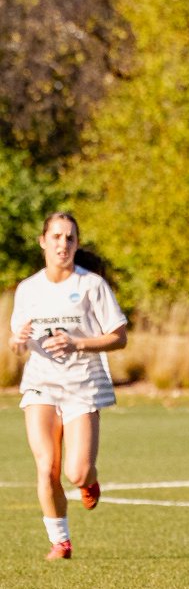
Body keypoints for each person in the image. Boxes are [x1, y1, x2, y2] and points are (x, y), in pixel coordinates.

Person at [9, 213, 128, 560]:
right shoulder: (28, 289)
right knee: (47, 466)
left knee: (76, 471)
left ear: (77, 244)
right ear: (43, 241)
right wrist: (17, 340)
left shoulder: (91, 285)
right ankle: (60, 540)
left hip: (83, 384)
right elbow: (18, 343)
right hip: (41, 384)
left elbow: (119, 338)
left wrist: (78, 344)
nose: (63, 244)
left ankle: (89, 481)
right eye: (57, 237)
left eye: (70, 238)